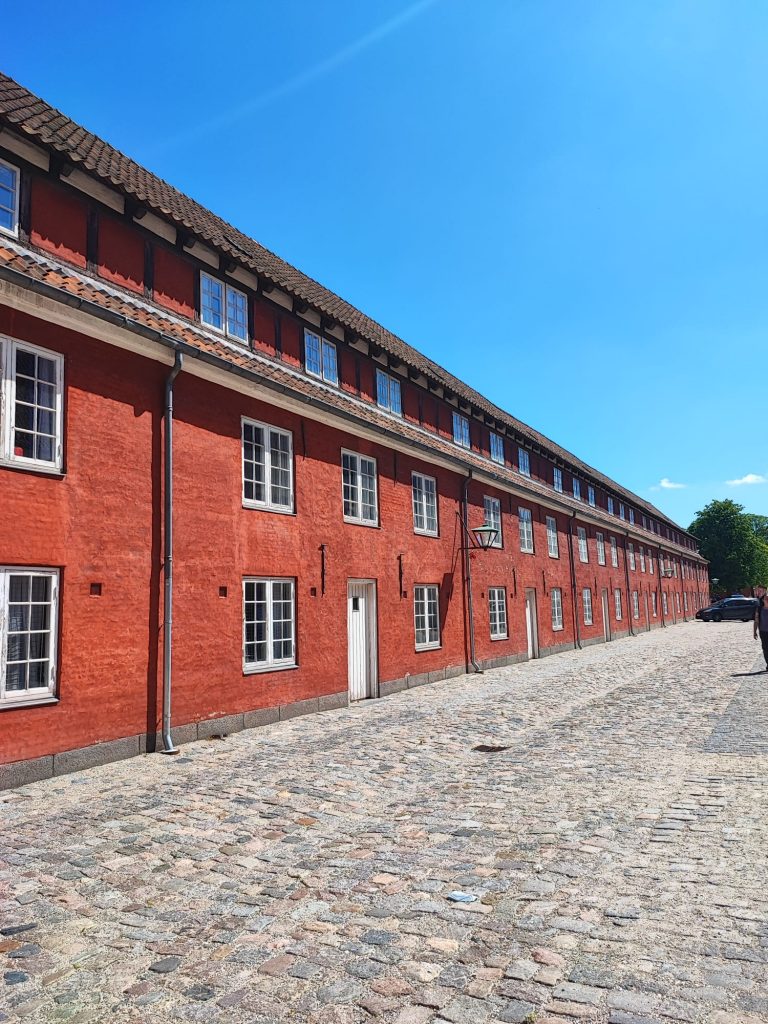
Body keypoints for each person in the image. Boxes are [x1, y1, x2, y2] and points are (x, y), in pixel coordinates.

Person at [754, 585, 768, 671]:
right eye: (766, 599)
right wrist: (754, 631)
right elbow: (756, 620)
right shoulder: (759, 609)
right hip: (763, 631)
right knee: (765, 648)